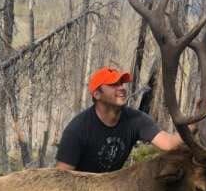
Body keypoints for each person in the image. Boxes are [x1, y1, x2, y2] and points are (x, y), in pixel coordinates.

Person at [55, 67, 185, 173]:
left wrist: (198, 120)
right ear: (97, 94)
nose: (122, 88)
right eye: (113, 84)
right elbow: (61, 179)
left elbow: (169, 144)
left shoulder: (136, 119)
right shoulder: (77, 129)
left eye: (121, 83)